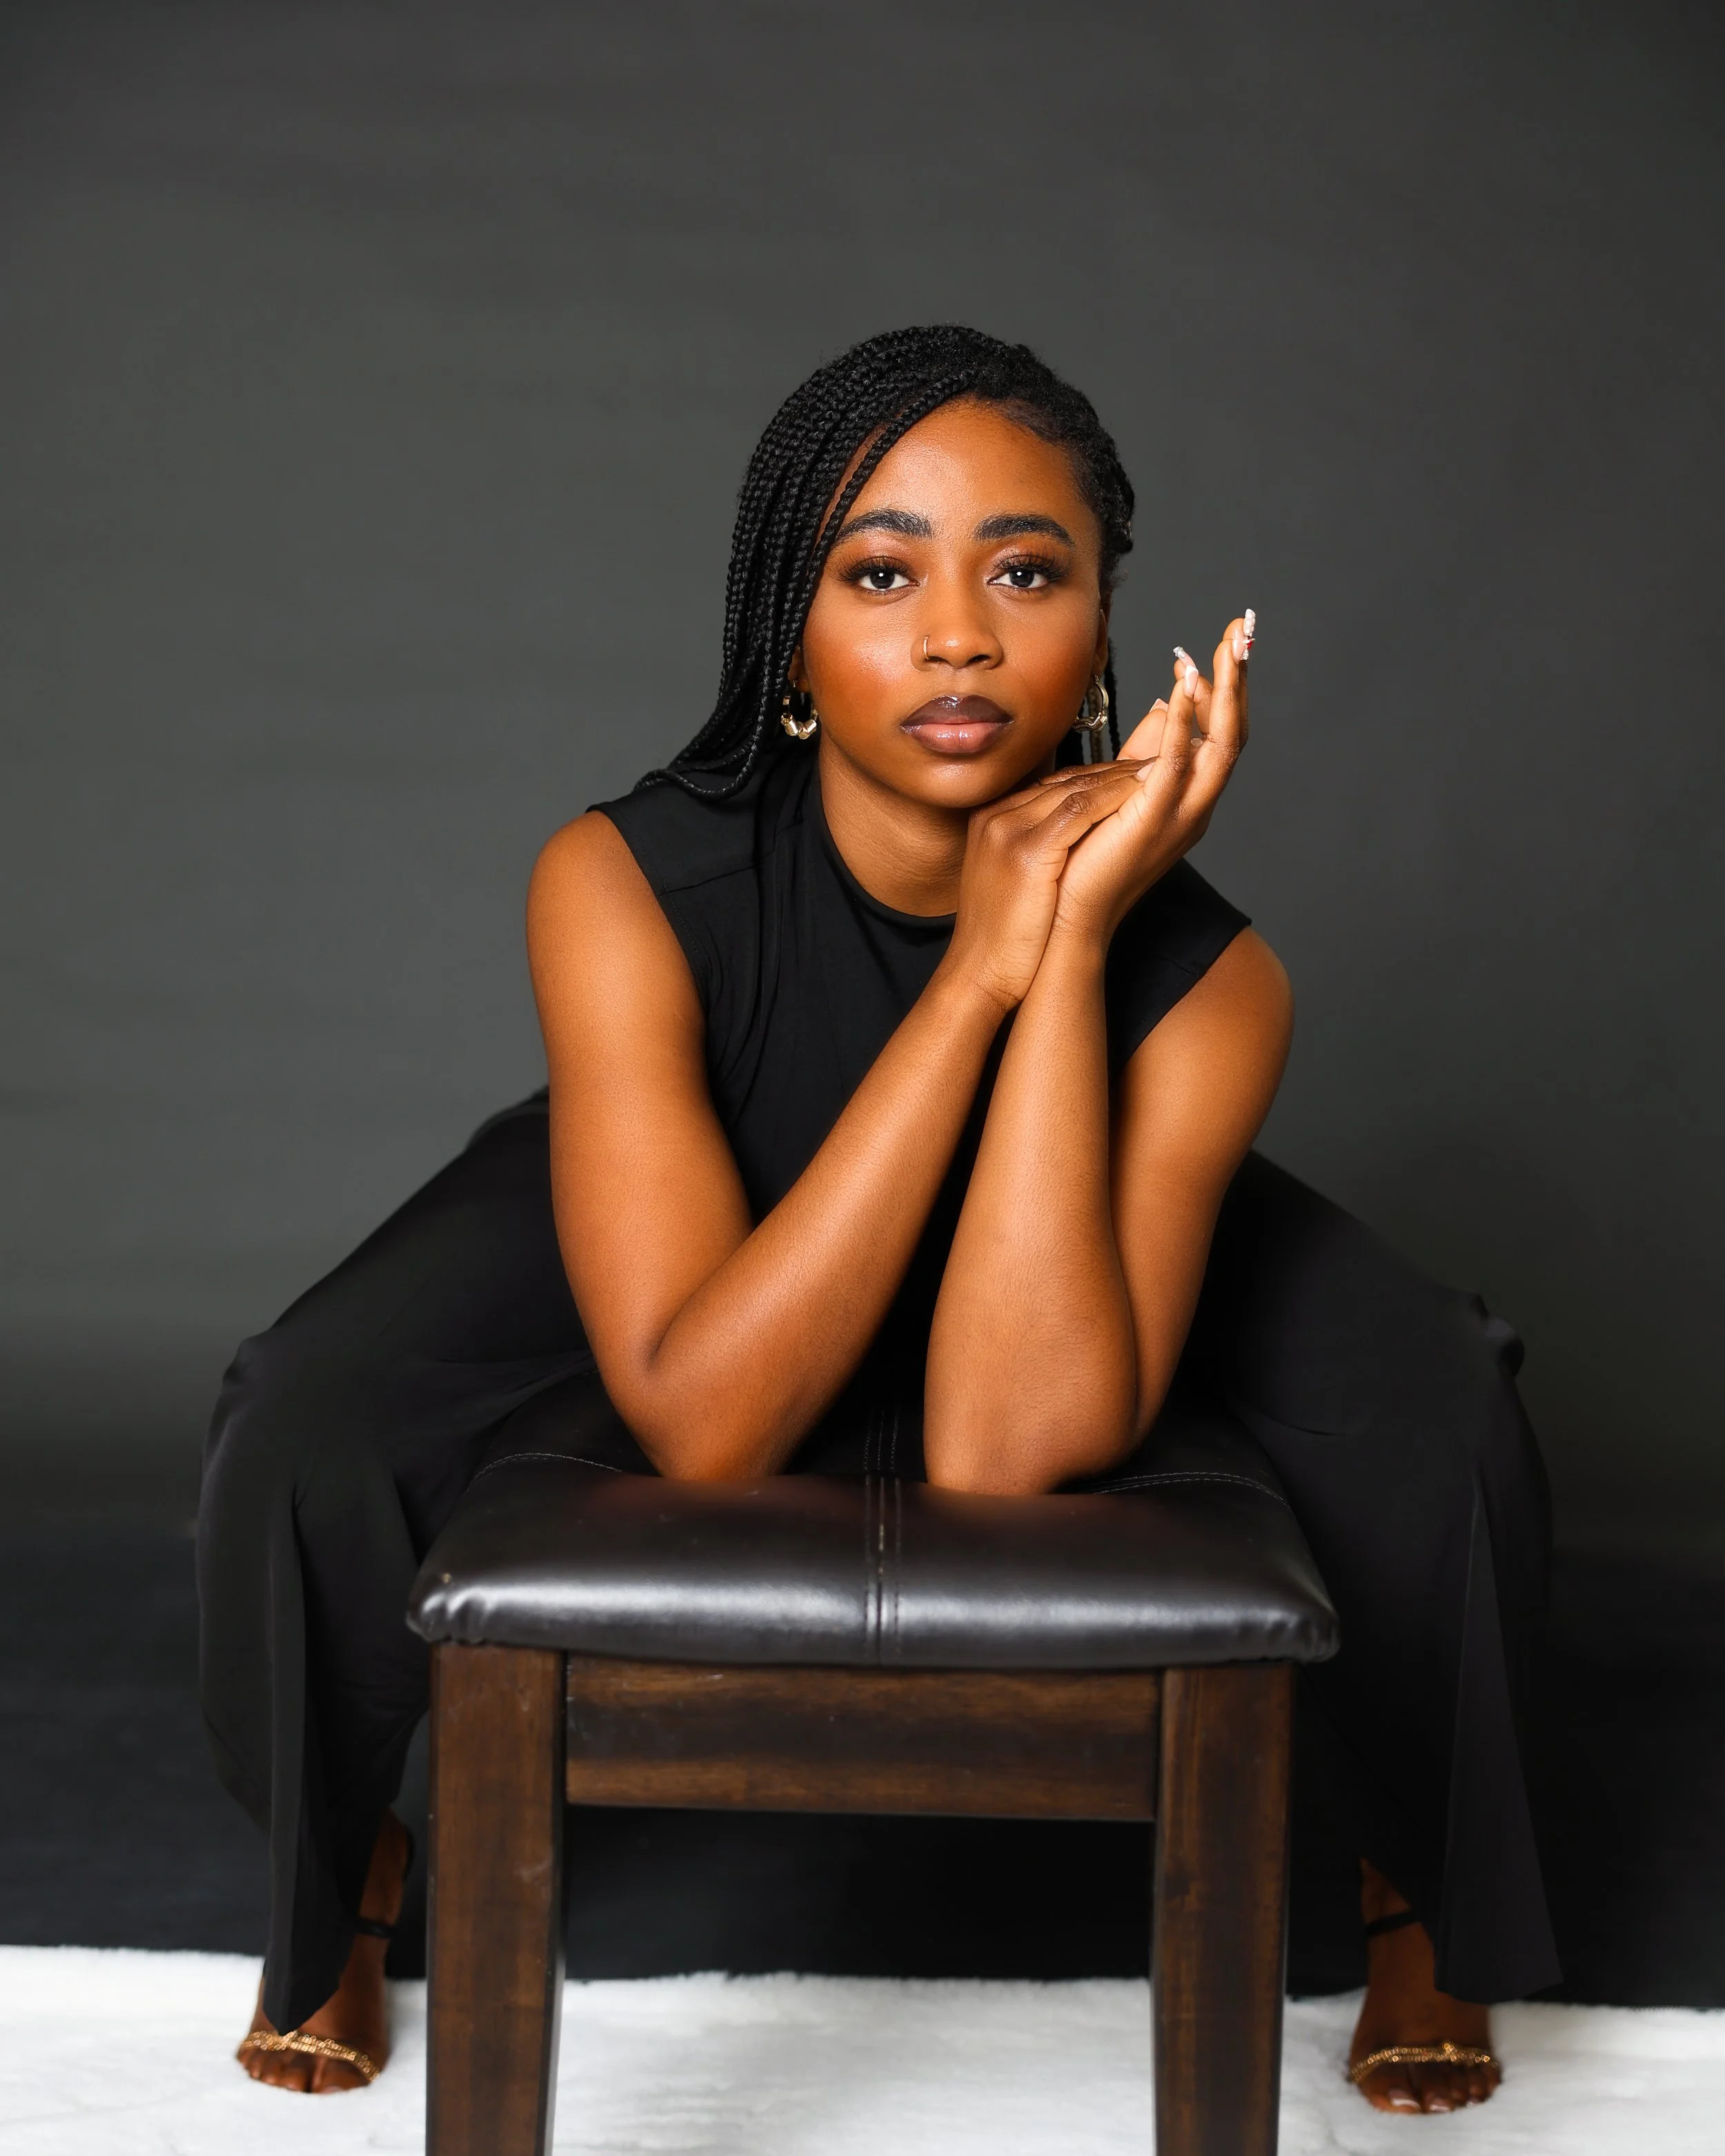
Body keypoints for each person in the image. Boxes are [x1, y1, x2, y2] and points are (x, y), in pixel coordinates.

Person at [199, 325, 1559, 2116]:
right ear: (791, 633)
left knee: (1442, 1396)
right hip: (710, 1186)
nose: (956, 632)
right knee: (305, 1401)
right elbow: (704, 1417)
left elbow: (1006, 1443)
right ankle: (348, 1876)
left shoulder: (1210, 984)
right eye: (877, 569)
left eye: (1023, 568)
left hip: (1051, 1218)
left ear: (1093, 629)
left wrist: (1059, 945)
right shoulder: (620, 880)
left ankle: (1414, 1896)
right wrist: (974, 969)